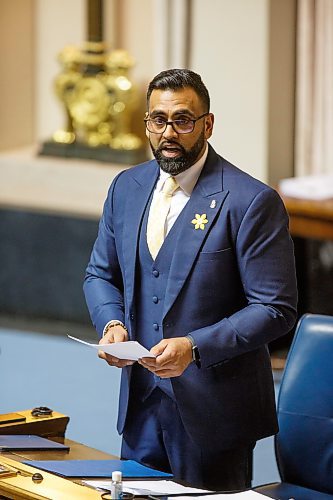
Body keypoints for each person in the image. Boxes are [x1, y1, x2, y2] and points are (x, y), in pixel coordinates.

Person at [84, 68, 297, 492]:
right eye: (157, 120)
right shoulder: (127, 187)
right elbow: (100, 274)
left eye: (182, 120)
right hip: (141, 403)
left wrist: (195, 347)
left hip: (215, 410)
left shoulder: (252, 201)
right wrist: (112, 324)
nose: (168, 132)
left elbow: (275, 308)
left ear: (207, 124)